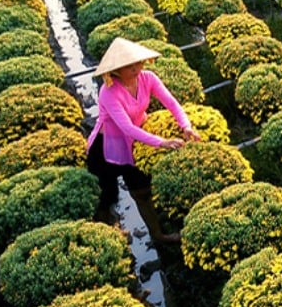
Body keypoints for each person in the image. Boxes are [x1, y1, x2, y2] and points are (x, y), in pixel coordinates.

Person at [86, 37, 200, 243]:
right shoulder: (108, 92)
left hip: (136, 144)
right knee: (106, 197)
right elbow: (126, 128)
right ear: (116, 70)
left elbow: (172, 103)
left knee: (142, 191)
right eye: (129, 66)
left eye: (138, 62)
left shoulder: (148, 78)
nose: (136, 68)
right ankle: (109, 239)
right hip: (106, 150)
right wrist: (161, 142)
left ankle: (158, 235)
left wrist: (186, 126)